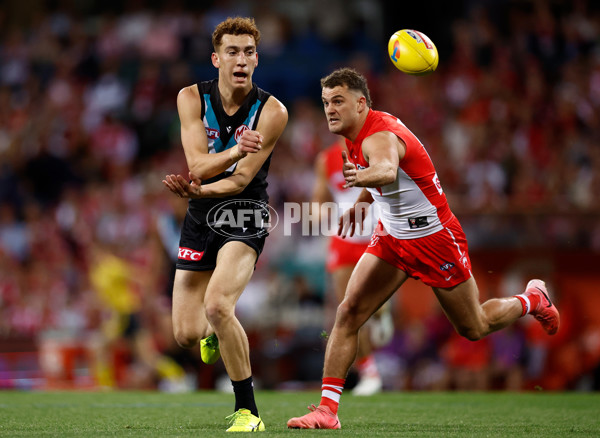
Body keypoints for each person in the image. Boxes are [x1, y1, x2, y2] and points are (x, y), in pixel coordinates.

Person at [287, 68, 559, 429]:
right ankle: (327, 410)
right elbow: (388, 177)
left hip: (434, 239)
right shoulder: (356, 133)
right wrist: (363, 202)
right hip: (393, 238)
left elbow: (385, 168)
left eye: (338, 101)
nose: (330, 110)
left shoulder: (379, 135)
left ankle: (532, 299)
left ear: (360, 104)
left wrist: (361, 180)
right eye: (325, 103)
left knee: (474, 327)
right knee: (348, 312)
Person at [162, 17, 288, 432]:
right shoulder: (190, 98)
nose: (241, 59)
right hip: (200, 215)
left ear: (257, 60)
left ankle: (248, 411)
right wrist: (233, 150)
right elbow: (197, 165)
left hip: (244, 211)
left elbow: (238, 180)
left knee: (218, 305)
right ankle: (216, 332)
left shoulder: (272, 112)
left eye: (249, 52)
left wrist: (201, 188)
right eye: (232, 51)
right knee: (184, 334)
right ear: (216, 59)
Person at [312, 139, 394, 396]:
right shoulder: (326, 158)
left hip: (376, 233)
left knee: (369, 302)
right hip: (344, 238)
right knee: (347, 310)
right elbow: (319, 198)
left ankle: (382, 311)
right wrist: (318, 214)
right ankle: (370, 373)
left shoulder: (375, 147)